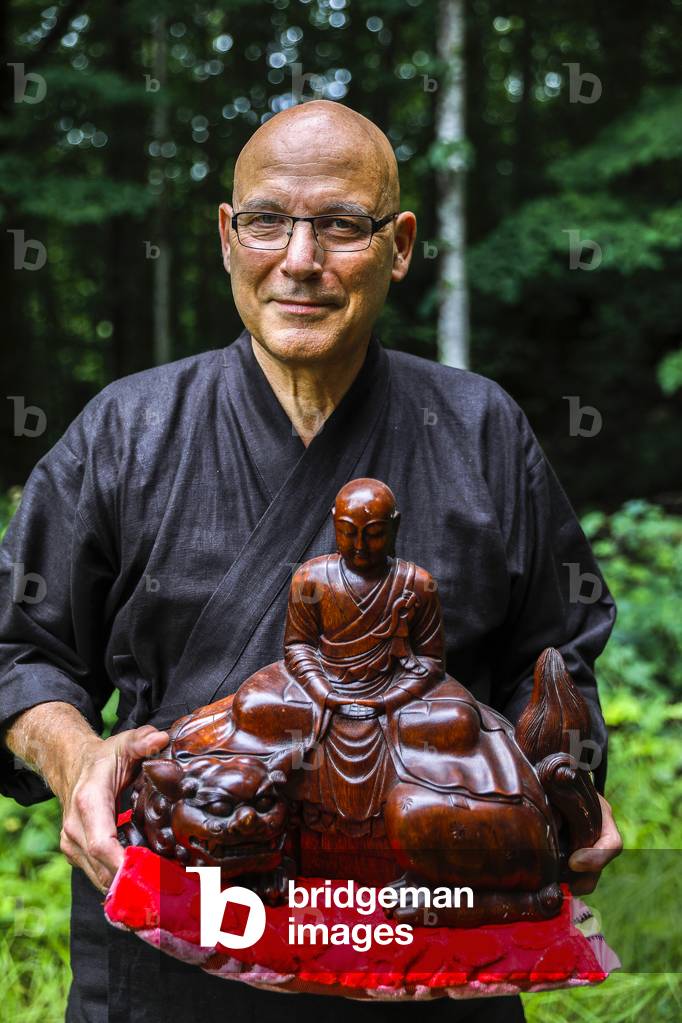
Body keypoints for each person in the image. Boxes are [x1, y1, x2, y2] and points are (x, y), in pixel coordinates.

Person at [0, 100, 622, 1022]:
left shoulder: (481, 426)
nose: (300, 259)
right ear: (226, 234)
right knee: (230, 742)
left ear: (400, 244)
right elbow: (19, 652)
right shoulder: (126, 431)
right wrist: (76, 755)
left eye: (341, 225)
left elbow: (557, 658)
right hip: (184, 940)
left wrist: (558, 780)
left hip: (429, 956)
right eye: (266, 221)